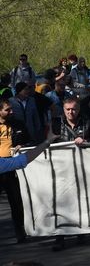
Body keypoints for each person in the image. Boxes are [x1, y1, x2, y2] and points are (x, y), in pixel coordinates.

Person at [51, 98, 90, 252]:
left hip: (82, 169)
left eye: (73, 109)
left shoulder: (87, 124)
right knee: (61, 203)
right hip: (62, 170)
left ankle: (80, 232)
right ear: (63, 109)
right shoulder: (55, 124)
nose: (70, 112)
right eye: (67, 109)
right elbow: (47, 142)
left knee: (80, 202)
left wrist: (86, 140)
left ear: (78, 109)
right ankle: (59, 237)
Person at [0, 98, 32, 242]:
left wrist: (22, 144)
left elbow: (30, 141)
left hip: (12, 166)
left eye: (11, 109)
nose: (11, 112)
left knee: (16, 202)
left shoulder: (18, 124)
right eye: (7, 109)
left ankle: (20, 233)